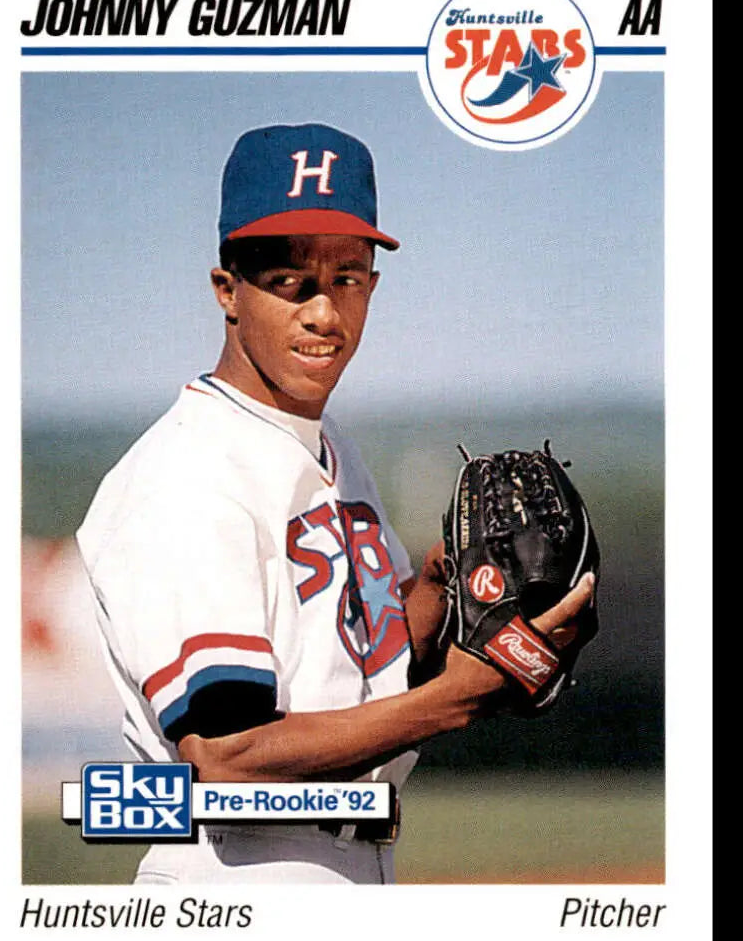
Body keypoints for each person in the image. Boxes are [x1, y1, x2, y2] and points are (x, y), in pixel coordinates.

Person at [76, 122, 593, 885]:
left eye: (347, 276)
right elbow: (227, 757)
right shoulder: (185, 471)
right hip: (236, 880)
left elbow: (362, 670)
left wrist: (444, 594)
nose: (325, 313)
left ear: (373, 286)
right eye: (291, 281)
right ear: (228, 289)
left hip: (348, 867)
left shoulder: (333, 452)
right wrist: (456, 700)